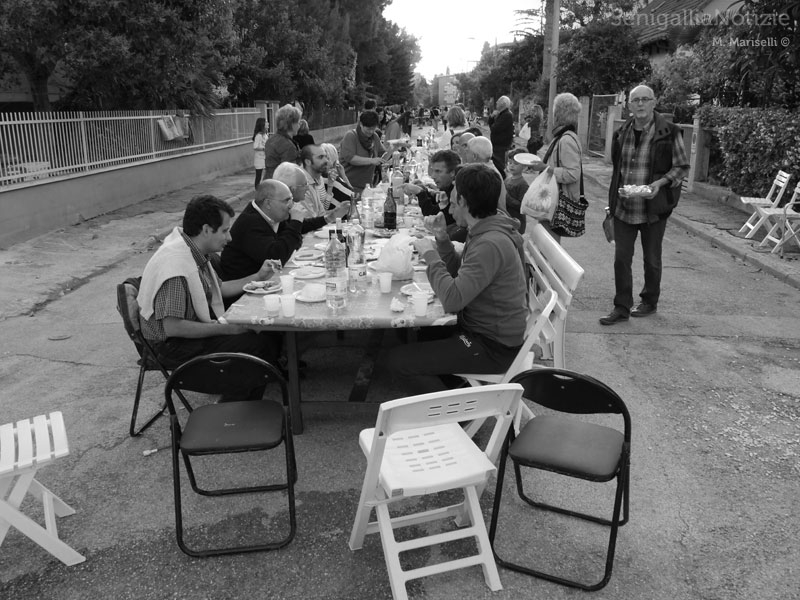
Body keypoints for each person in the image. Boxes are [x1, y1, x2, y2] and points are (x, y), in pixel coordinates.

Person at [384, 163, 528, 395]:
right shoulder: (485, 228)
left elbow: (452, 299)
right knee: (414, 331)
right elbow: (457, 276)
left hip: (492, 346)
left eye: (452, 203)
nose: (449, 211)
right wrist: (442, 239)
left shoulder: (490, 243)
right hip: (483, 330)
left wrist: (430, 255)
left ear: (463, 201)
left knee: (396, 360)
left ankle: (455, 415)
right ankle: (454, 389)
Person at [137, 195, 281, 400]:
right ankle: (233, 408)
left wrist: (258, 277)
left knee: (264, 336)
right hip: (170, 346)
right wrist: (226, 328)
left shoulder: (192, 250)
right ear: (206, 230)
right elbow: (173, 327)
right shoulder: (177, 266)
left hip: (180, 334)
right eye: (224, 231)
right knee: (255, 344)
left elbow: (217, 290)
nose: (229, 238)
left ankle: (245, 398)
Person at [598, 85, 689, 325]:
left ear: (654, 102)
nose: (640, 104)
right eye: (635, 100)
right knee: (621, 258)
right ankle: (621, 306)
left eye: (645, 99)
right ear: (629, 104)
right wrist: (613, 200)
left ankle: (649, 300)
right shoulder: (622, 132)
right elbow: (618, 168)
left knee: (651, 258)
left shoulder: (670, 132)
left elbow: (681, 167)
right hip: (625, 207)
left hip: (654, 207)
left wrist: (659, 184)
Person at [219, 180, 308, 279]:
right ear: (268, 203)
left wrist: (325, 219)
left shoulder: (270, 214)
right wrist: (296, 223)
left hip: (261, 282)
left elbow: (294, 239)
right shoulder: (250, 222)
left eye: (291, 200)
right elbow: (277, 259)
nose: (291, 205)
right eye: (286, 200)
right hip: (243, 289)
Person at [528, 92, 583, 243]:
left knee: (548, 246)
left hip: (556, 201)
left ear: (558, 113)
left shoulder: (566, 139)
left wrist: (546, 167)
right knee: (546, 244)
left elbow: (573, 174)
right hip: (552, 199)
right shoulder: (563, 136)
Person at [402, 149, 467, 242]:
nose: (433, 176)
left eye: (438, 171)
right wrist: (425, 190)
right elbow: (438, 206)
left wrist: (420, 193)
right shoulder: (448, 187)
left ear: (452, 172)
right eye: (433, 171)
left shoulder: (456, 189)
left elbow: (433, 215)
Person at [273, 162, 349, 232]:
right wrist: (296, 222)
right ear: (293, 189)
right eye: (304, 185)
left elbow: (306, 224)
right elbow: (286, 241)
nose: (307, 188)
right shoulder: (278, 211)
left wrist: (331, 216)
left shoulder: (288, 204)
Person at [300, 144, 355, 220]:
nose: (326, 160)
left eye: (326, 157)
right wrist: (335, 213)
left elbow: (322, 212)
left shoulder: (316, 179)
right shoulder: (302, 183)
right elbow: (311, 221)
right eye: (320, 157)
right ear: (308, 162)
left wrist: (338, 210)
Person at [340, 110, 387, 193]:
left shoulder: (374, 137)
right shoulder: (351, 136)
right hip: (349, 187)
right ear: (361, 124)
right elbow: (351, 159)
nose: (371, 131)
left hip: (366, 187)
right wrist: (371, 160)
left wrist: (395, 147)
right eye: (368, 129)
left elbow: (384, 156)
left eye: (373, 128)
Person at [464, 136, 507, 211]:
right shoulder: (489, 169)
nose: (465, 154)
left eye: (467, 151)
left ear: (474, 156)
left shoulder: (482, 175)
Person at [263, 104, 301, 178]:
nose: (299, 126)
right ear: (292, 124)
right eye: (298, 122)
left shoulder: (271, 139)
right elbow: (290, 174)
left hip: (268, 180)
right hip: (280, 184)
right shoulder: (288, 146)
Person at [320, 143, 355, 208]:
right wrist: (344, 176)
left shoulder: (321, 177)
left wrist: (343, 175)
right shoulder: (331, 180)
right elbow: (352, 195)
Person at [505, 148, 531, 234]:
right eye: (510, 163)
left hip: (517, 222)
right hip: (506, 220)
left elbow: (522, 206)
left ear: (524, 167)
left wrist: (506, 196)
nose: (511, 166)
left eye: (515, 163)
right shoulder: (507, 179)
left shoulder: (523, 184)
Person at [488, 95, 514, 179]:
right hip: (498, 145)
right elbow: (492, 126)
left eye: (498, 101)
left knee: (500, 167)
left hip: (501, 146)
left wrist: (493, 123)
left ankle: (502, 183)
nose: (496, 102)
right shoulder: (502, 114)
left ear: (503, 104)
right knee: (497, 165)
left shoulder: (506, 115)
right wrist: (492, 117)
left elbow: (494, 128)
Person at [252, 117, 267, 189]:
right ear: (262, 125)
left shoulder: (265, 135)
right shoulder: (258, 136)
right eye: (266, 122)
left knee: (267, 174)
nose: (268, 124)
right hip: (259, 159)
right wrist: (264, 148)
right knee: (258, 176)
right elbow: (255, 147)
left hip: (265, 158)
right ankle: (257, 190)